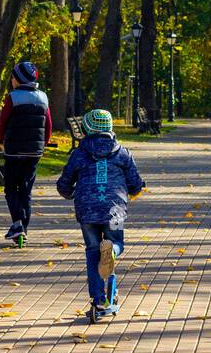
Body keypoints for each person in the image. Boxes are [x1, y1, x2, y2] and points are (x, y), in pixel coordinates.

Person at [56, 109, 145, 321]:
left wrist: (67, 193)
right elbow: (135, 184)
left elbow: (65, 183)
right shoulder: (123, 153)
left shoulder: (78, 154)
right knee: (116, 243)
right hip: (114, 211)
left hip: (87, 210)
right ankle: (112, 251)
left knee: (93, 251)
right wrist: (133, 191)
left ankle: (97, 299)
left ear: (86, 129)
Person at [0, 60, 52, 244]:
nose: (11, 80)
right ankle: (24, 229)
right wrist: (44, 142)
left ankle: (17, 224)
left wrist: (1, 138)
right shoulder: (43, 97)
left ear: (18, 80)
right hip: (34, 152)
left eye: (13, 77)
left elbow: (3, 121)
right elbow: (48, 124)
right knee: (26, 189)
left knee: (11, 188)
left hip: (14, 150)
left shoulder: (13, 97)